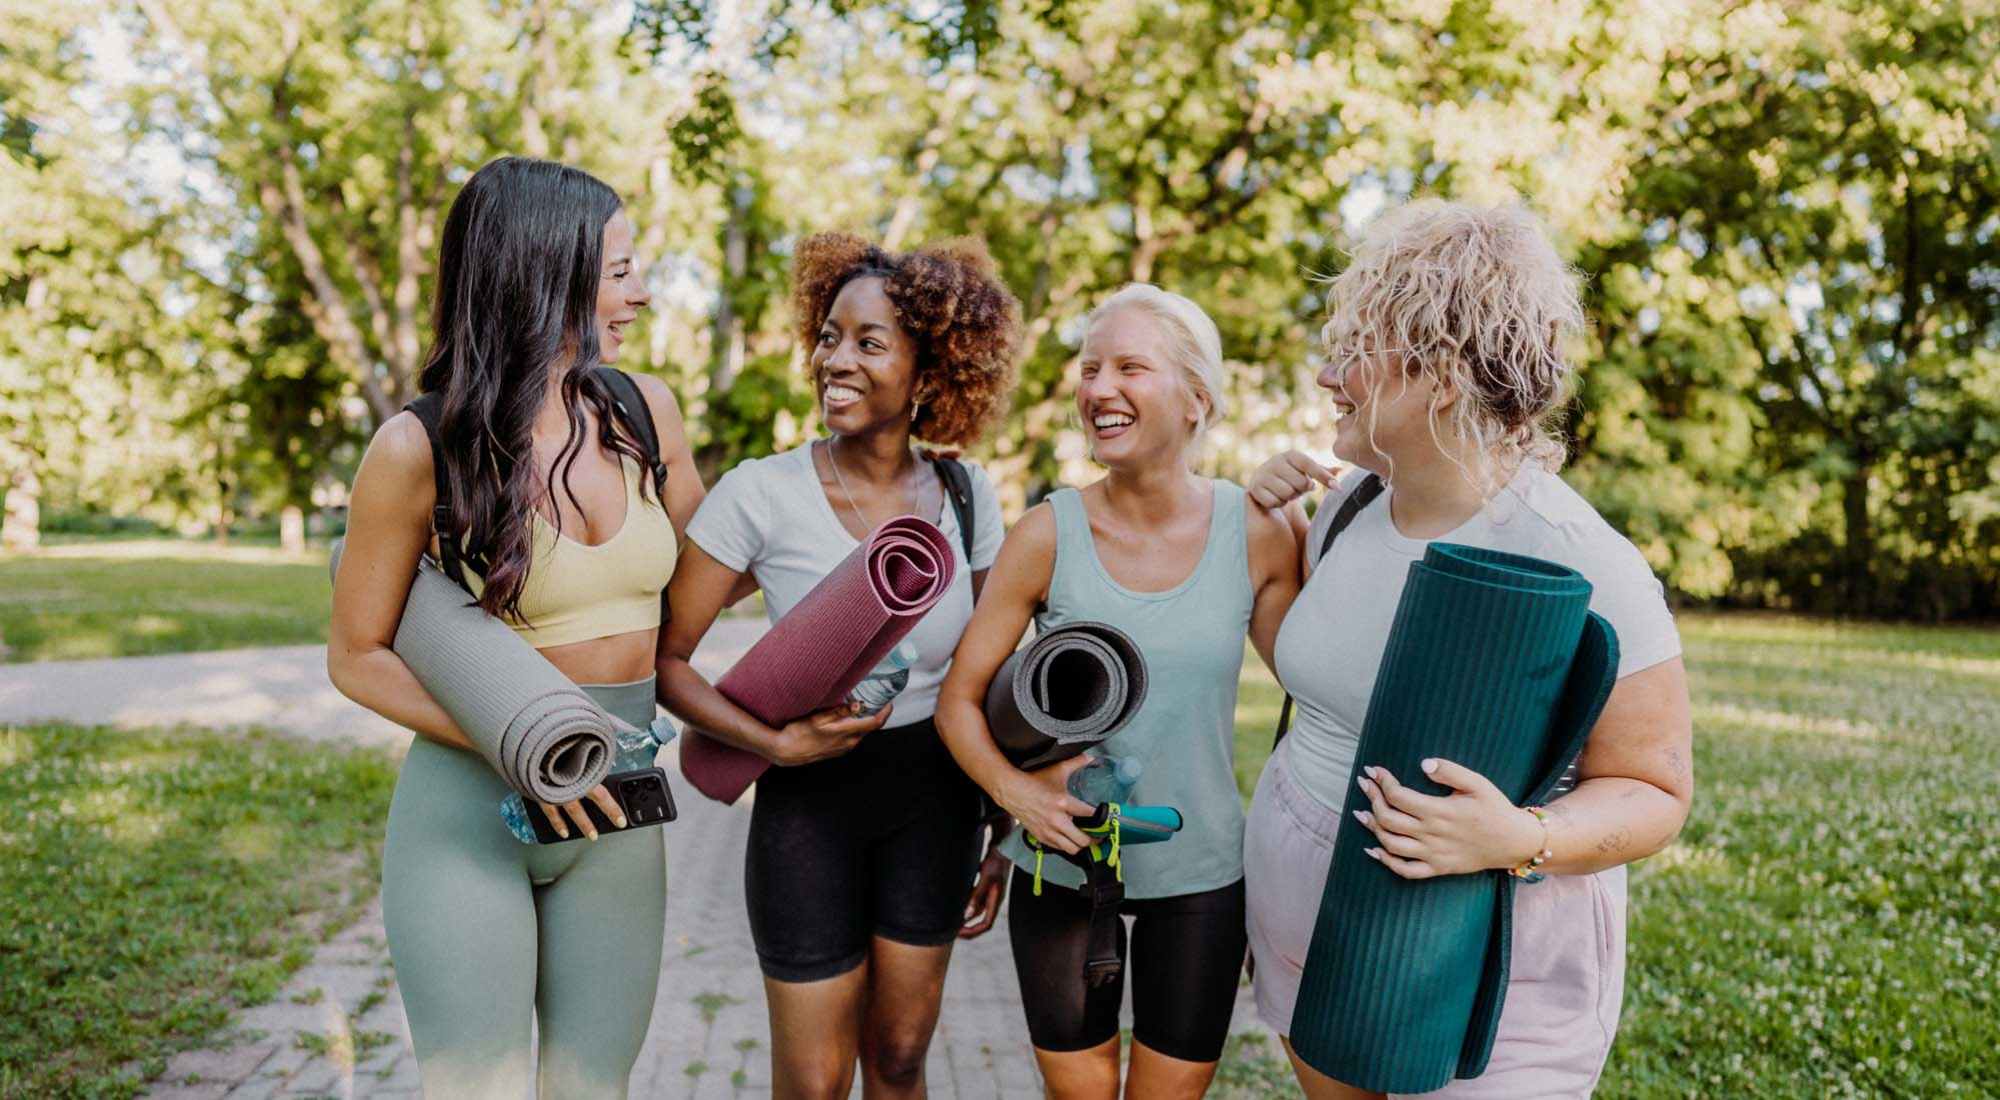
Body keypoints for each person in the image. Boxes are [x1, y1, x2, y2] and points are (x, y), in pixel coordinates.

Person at [1242, 199, 1695, 1099]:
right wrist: (1268, 527)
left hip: (1487, 972)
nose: (1330, 371)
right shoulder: (1351, 505)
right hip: (1312, 944)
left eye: (1358, 346)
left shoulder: (1578, 557)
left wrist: (1517, 838)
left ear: (1440, 376)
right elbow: (1326, 674)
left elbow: (1655, 791)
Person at [327, 157, 705, 1097]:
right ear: (548, 275)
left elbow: (712, 576)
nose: (642, 294)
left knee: (592, 1090)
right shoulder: (419, 446)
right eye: (620, 271)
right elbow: (356, 655)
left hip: (617, 810)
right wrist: (520, 745)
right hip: (470, 820)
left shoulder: (641, 414)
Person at [657, 232, 1022, 1099]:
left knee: (897, 1062)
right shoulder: (762, 492)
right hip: (808, 807)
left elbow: (993, 677)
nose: (835, 359)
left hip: (937, 801)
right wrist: (771, 747)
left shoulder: (967, 499)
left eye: (868, 341)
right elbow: (665, 661)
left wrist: (1001, 822)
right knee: (816, 1081)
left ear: (930, 372)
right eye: (828, 335)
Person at [935, 284, 1301, 1100]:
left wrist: (1323, 520)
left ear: (1197, 397)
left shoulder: (1263, 531)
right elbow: (959, 701)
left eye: (1129, 366)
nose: (1097, 388)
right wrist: (1016, 800)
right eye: (1090, 368)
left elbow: (1325, 685)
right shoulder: (1045, 534)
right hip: (1061, 871)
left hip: (1200, 874)